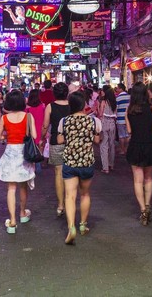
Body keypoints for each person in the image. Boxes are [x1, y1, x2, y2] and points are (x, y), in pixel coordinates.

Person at [58, 90, 102, 244]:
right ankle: (83, 225)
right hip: (87, 162)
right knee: (85, 194)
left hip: (70, 162)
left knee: (70, 196)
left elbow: (60, 139)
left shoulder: (64, 121)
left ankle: (71, 227)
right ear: (84, 104)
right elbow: (97, 140)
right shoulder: (94, 121)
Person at [0, 90, 36, 234]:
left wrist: (8, 137)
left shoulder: (4, 118)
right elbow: (34, 135)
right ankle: (22, 213)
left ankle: (12, 222)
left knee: (11, 188)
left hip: (10, 152)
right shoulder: (28, 116)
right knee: (23, 185)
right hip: (24, 153)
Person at [126, 82, 152, 226]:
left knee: (138, 180)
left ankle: (142, 210)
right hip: (150, 145)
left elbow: (129, 131)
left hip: (135, 146)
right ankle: (148, 205)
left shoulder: (129, 110)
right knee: (149, 179)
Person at [40, 82, 72, 217]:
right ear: (67, 93)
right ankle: (69, 201)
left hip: (56, 141)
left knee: (58, 173)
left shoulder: (50, 106)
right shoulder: (72, 106)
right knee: (71, 173)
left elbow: (45, 125)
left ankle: (60, 205)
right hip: (72, 142)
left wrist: (41, 138)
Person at [96, 86, 118, 174]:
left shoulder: (104, 102)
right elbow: (115, 114)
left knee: (104, 145)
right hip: (112, 123)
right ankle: (111, 164)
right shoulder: (114, 103)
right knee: (112, 144)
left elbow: (100, 114)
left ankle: (105, 167)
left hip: (104, 123)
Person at [115, 83, 131, 155]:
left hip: (120, 119)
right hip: (128, 119)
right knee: (127, 135)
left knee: (121, 136)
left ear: (121, 89)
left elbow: (116, 109)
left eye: (117, 88)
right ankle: (127, 149)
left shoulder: (118, 98)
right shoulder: (130, 97)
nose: (117, 90)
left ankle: (122, 150)